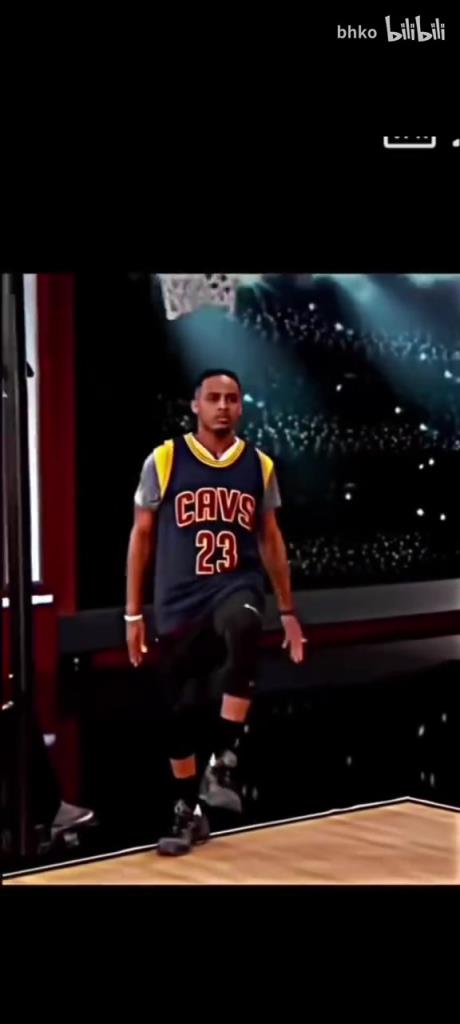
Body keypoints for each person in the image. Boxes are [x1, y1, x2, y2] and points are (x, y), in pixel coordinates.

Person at [125, 369, 306, 856]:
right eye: (213, 398)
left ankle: (223, 760)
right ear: (196, 405)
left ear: (241, 407)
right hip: (178, 600)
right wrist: (132, 614)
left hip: (234, 585)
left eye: (231, 398)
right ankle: (188, 811)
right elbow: (142, 536)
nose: (222, 406)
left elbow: (271, 539)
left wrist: (287, 610)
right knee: (176, 714)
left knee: (245, 624)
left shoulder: (259, 465)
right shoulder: (165, 459)